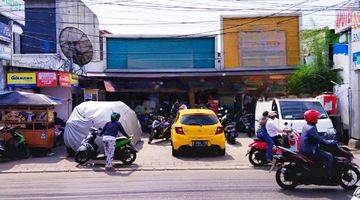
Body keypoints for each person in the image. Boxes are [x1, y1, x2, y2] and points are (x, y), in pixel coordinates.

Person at [301, 109, 334, 180]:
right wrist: (330, 142)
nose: (317, 119)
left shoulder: (307, 126)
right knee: (329, 156)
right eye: (316, 117)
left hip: (308, 147)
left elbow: (317, 137)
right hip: (311, 150)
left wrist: (326, 138)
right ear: (312, 118)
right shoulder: (311, 128)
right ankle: (326, 176)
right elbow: (319, 139)